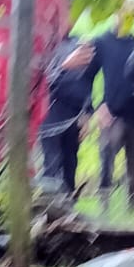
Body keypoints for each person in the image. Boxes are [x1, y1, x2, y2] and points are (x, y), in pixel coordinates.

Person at [0, 0, 70, 170]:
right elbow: (57, 35)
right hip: (28, 63)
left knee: (4, 108)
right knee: (22, 109)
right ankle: (15, 160)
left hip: (11, 60)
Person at [91, 10, 134, 210]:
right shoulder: (102, 42)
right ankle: (103, 209)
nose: (124, 17)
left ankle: (133, 212)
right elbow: (86, 75)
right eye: (121, 12)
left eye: (129, 13)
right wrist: (96, 106)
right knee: (106, 157)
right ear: (114, 14)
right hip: (112, 115)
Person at [38, 35, 97, 198]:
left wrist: (87, 112)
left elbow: (86, 82)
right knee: (53, 162)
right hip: (50, 113)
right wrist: (64, 67)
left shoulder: (78, 42)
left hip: (74, 114)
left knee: (70, 163)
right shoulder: (44, 44)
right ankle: (48, 207)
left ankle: (68, 209)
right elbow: (40, 82)